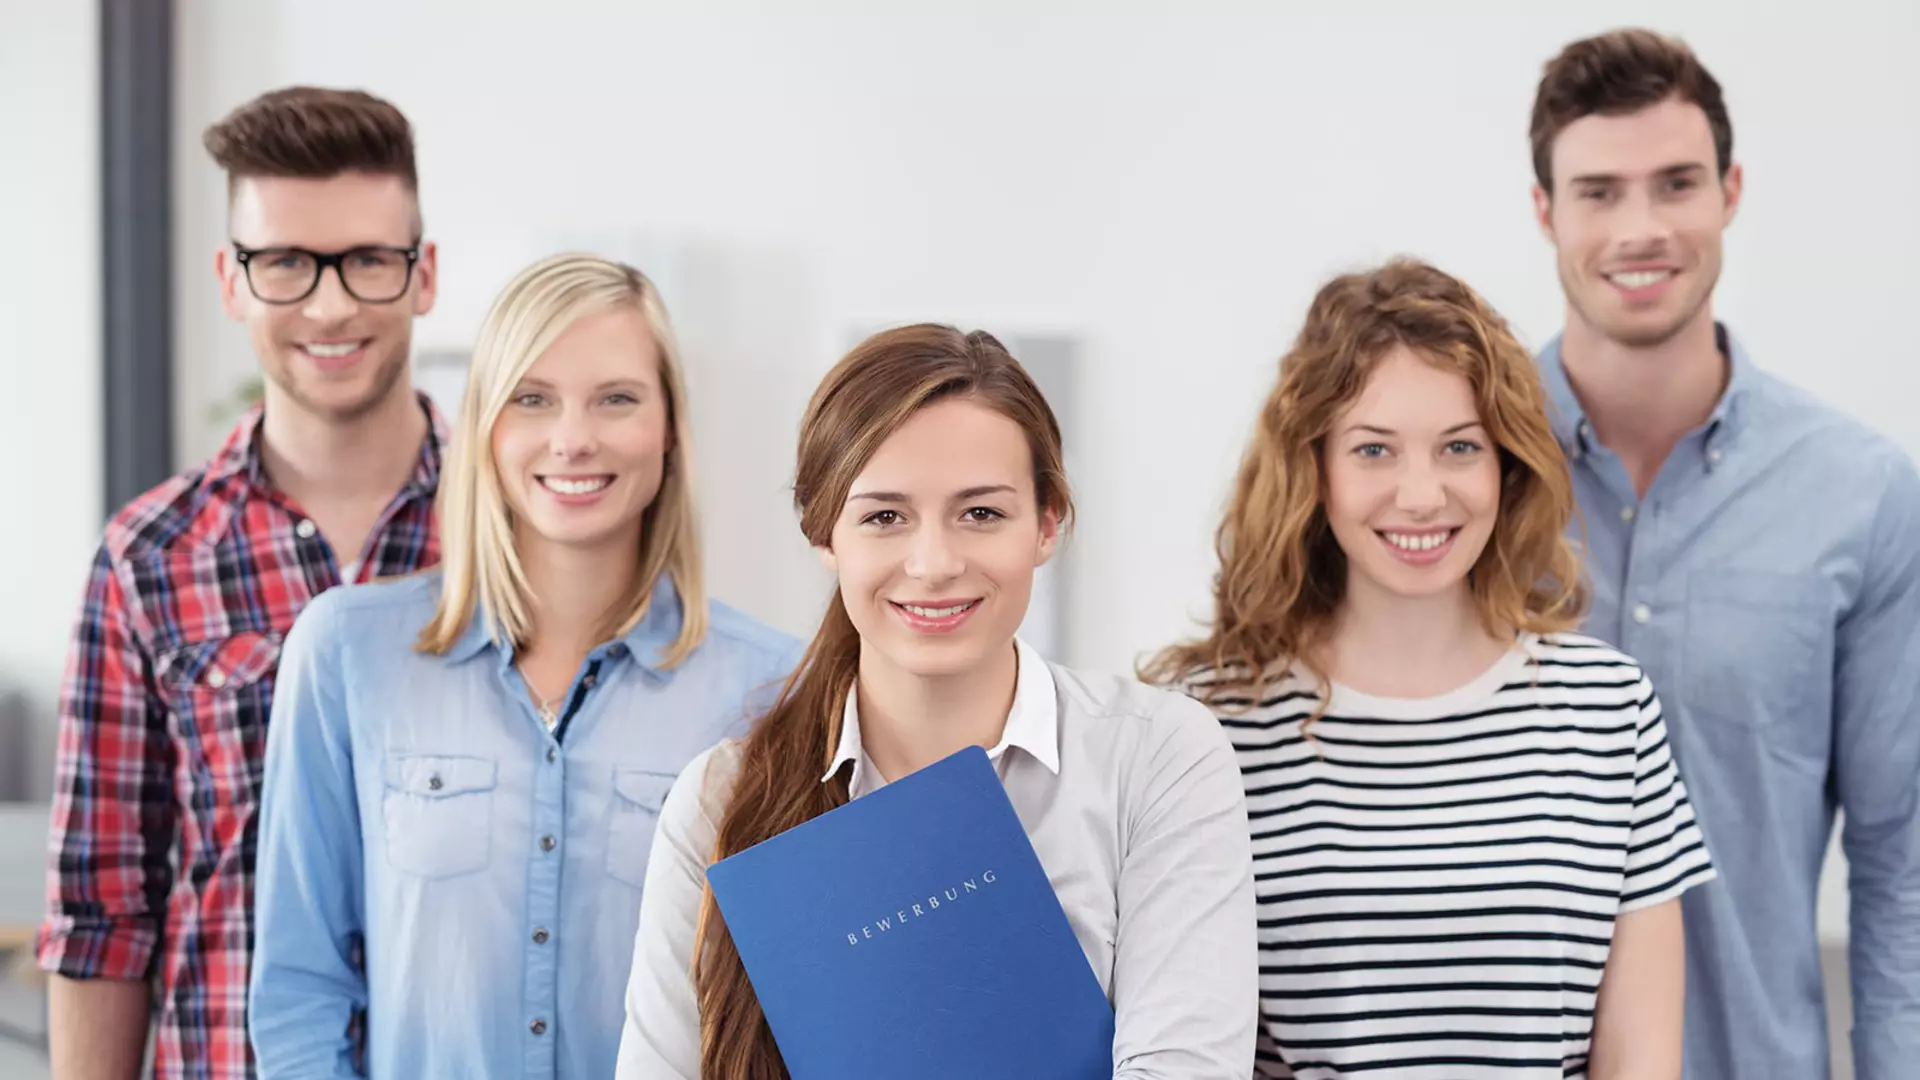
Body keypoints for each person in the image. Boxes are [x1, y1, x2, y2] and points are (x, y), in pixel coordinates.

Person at [613, 324, 1258, 1078]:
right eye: (884, 517)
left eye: (981, 513)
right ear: (825, 534)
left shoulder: (1156, 758)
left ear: (1048, 524)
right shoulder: (719, 804)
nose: (934, 563)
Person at [1144, 258, 1717, 1079]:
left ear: (1504, 466)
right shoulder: (1211, 727)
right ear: (1317, 469)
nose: (1421, 494)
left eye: (1458, 447)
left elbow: (1640, 1062)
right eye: (1374, 450)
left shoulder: (1609, 710)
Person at [244, 253, 803, 1078]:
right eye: (532, 399)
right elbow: (299, 990)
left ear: (670, 430)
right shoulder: (346, 655)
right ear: (484, 429)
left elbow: (780, 1013)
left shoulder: (771, 688)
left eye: (616, 399)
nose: (573, 439)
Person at [1526, 29, 1920, 1079]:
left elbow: (1902, 863)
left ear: (1731, 191)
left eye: (1677, 183)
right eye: (1599, 191)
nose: (1641, 228)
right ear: (1545, 211)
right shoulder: (1450, 483)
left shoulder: (1864, 495)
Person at [36, 86, 446, 1080]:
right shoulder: (149, 557)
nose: (331, 302)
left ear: (423, 274)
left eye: (368, 261)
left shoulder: (519, 533)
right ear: (232, 279)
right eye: (285, 264)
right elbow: (101, 912)